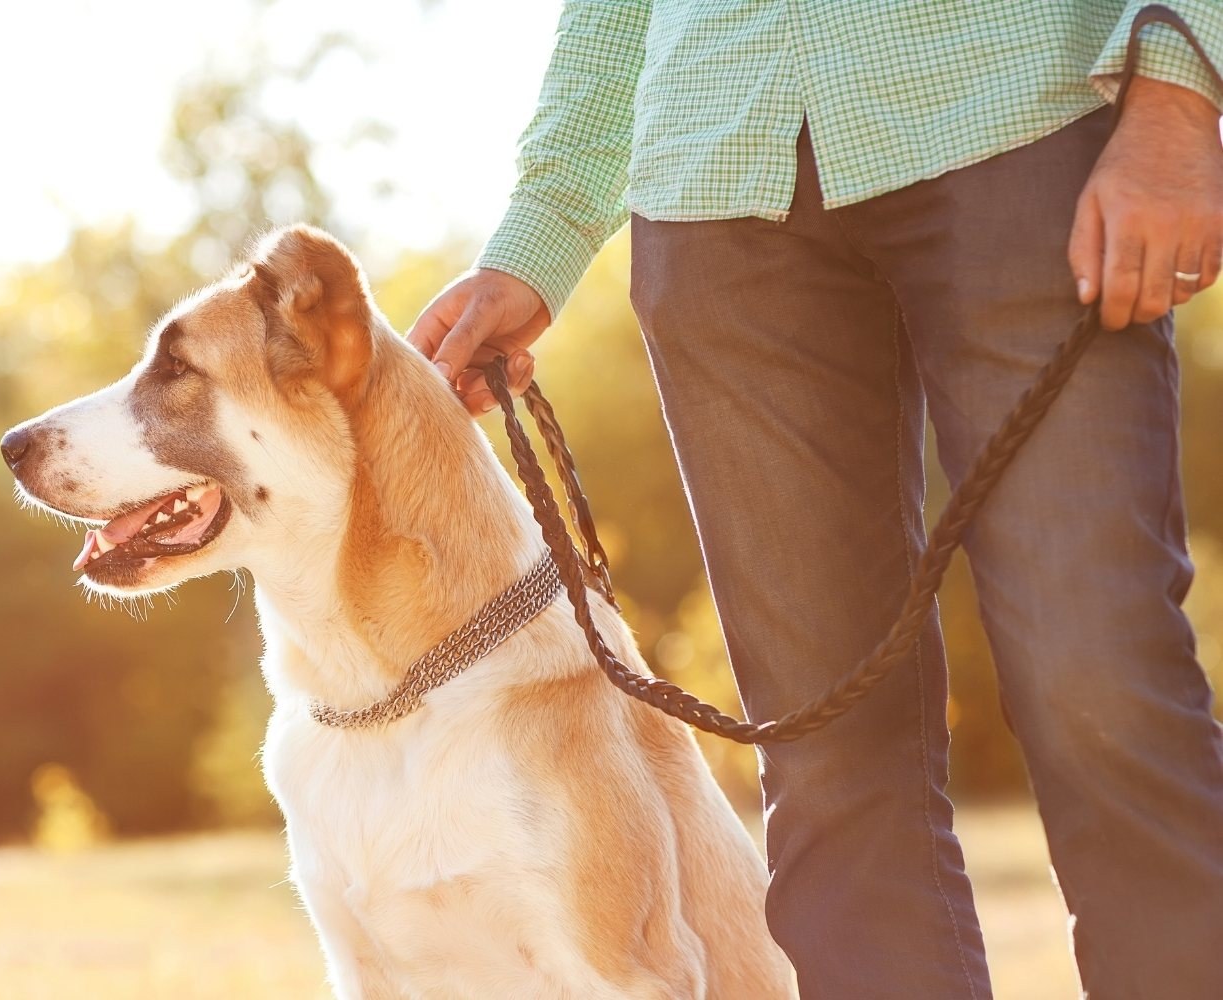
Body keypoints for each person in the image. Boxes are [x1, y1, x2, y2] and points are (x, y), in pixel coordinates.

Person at [408, 3, 1223, 997]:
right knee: (827, 762)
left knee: (1099, 686)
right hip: (718, 179)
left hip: (1018, 111)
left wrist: (1181, 89)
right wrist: (543, 229)